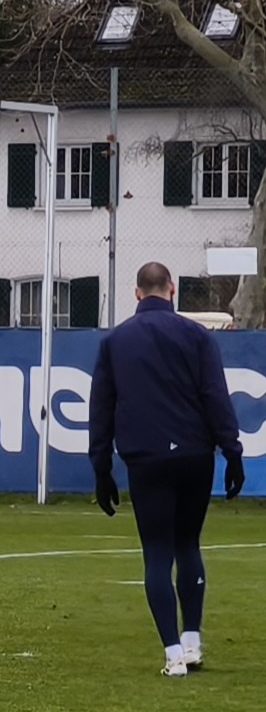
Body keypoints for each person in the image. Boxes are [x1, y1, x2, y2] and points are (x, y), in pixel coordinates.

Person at [88, 261, 244, 678]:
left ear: (137, 293)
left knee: (156, 552)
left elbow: (101, 409)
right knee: (188, 545)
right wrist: (232, 452)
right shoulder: (197, 336)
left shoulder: (115, 342)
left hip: (146, 457)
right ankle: (192, 639)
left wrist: (101, 468)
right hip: (194, 454)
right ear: (172, 290)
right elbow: (215, 396)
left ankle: (173, 652)